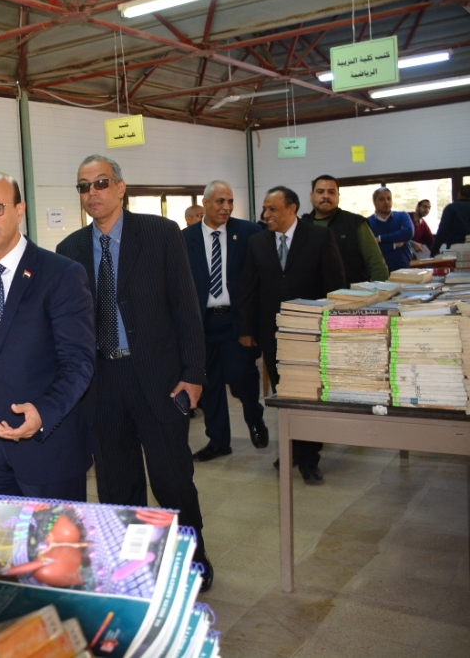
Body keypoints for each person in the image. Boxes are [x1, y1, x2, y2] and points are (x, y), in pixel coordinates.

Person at [56, 155, 213, 592]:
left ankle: (192, 559)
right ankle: (133, 567)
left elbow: (186, 307)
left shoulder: (160, 234)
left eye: (101, 183)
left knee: (172, 481)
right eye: (84, 186)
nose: (92, 193)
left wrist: (194, 374)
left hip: (159, 380)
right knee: (117, 486)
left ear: (121, 187)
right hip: (102, 384)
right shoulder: (69, 251)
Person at [0, 172, 94, 542]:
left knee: (51, 557)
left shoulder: (60, 274)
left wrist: (43, 412)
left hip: (47, 449)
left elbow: (79, 362)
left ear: (20, 210)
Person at [238, 186, 346, 485]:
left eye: (272, 209)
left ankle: (308, 458)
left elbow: (335, 285)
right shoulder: (257, 242)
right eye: (265, 208)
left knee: (308, 396)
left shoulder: (319, 237)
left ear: (292, 208)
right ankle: (293, 448)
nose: (266, 214)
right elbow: (248, 287)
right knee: (284, 395)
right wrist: (246, 329)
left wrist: (333, 328)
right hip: (272, 334)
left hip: (310, 334)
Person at [183, 180, 267, 462]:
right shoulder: (185, 239)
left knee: (242, 378)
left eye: (230, 201)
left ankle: (255, 419)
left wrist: (251, 326)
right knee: (210, 385)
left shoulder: (249, 233)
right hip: (203, 324)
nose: (226, 207)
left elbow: (258, 282)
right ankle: (218, 441)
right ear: (205, 203)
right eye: (220, 201)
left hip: (236, 322)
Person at [301, 175, 388, 284]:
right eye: (320, 191)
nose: (326, 196)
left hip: (352, 292)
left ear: (338, 196)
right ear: (311, 196)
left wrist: (381, 290)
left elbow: (376, 263)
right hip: (312, 293)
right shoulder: (302, 226)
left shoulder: (355, 223)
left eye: (331, 192)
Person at [366, 187, 414, 272]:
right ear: (374, 202)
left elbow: (409, 232)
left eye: (389, 198)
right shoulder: (367, 223)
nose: (386, 202)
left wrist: (380, 239)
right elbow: (369, 249)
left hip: (404, 268)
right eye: (381, 199)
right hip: (379, 271)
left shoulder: (402, 216)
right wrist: (393, 245)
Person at [431, 185, 470, 255]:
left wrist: (434, 250)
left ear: (459, 195)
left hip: (455, 249)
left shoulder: (451, 208)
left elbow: (443, 230)